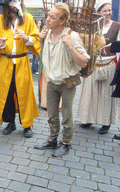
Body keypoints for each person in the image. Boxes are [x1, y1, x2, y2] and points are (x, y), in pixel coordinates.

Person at [34, 2, 90, 157]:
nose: (48, 19)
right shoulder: (46, 33)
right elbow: (43, 57)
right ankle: (52, 139)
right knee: (51, 114)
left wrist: (70, 46)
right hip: (52, 82)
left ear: (61, 21)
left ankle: (65, 142)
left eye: (53, 17)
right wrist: (41, 41)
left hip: (67, 82)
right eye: (48, 15)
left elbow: (84, 62)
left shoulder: (72, 36)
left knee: (66, 114)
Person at [0, 0, 40, 138]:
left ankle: (27, 125)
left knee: (24, 93)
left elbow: (36, 39)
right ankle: (10, 122)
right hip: (5, 62)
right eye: (11, 3)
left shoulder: (28, 19)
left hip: (22, 62)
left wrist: (27, 38)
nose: (14, 5)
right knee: (7, 94)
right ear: (6, 6)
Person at [77, 1, 120, 135]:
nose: (107, 13)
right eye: (104, 11)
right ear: (98, 13)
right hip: (93, 64)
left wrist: (110, 47)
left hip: (108, 64)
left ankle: (105, 122)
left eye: (109, 10)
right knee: (89, 93)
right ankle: (87, 118)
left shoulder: (117, 26)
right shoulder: (92, 27)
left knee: (105, 95)